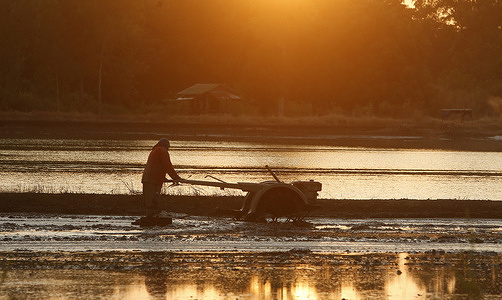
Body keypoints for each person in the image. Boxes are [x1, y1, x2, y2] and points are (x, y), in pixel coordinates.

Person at [141, 138, 181, 218]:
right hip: (153, 179)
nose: (168, 148)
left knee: (150, 199)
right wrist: (175, 177)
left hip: (149, 178)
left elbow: (157, 166)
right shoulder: (162, 150)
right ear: (166, 145)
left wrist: (163, 177)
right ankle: (150, 218)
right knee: (152, 200)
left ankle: (150, 217)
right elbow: (167, 165)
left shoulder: (155, 150)